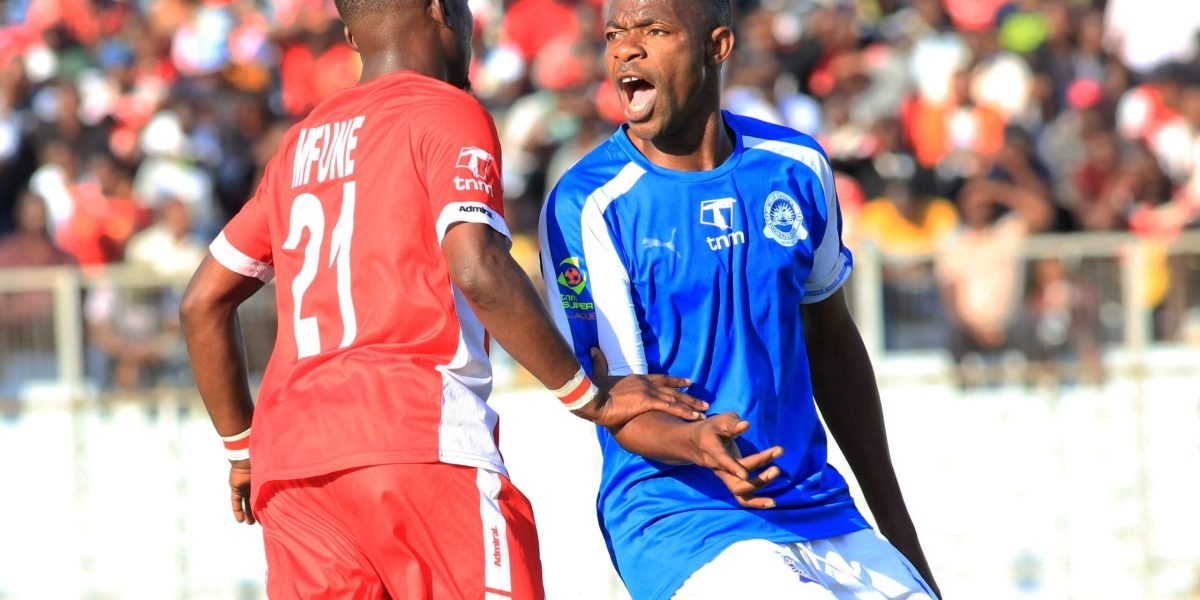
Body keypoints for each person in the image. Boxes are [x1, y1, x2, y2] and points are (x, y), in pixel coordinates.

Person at [179, 0, 711, 598]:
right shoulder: (446, 109)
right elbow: (478, 266)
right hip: (417, 444)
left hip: (293, 472)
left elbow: (202, 301)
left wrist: (243, 453)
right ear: (441, 11)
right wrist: (591, 396)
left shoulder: (299, 146)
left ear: (352, 32)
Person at [538, 0, 942, 598]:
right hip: (683, 520)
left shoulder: (797, 166)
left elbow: (831, 345)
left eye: (654, 30)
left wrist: (902, 543)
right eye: (616, 33)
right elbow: (621, 403)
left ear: (717, 46)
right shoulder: (589, 203)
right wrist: (695, 443)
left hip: (818, 506)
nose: (626, 48)